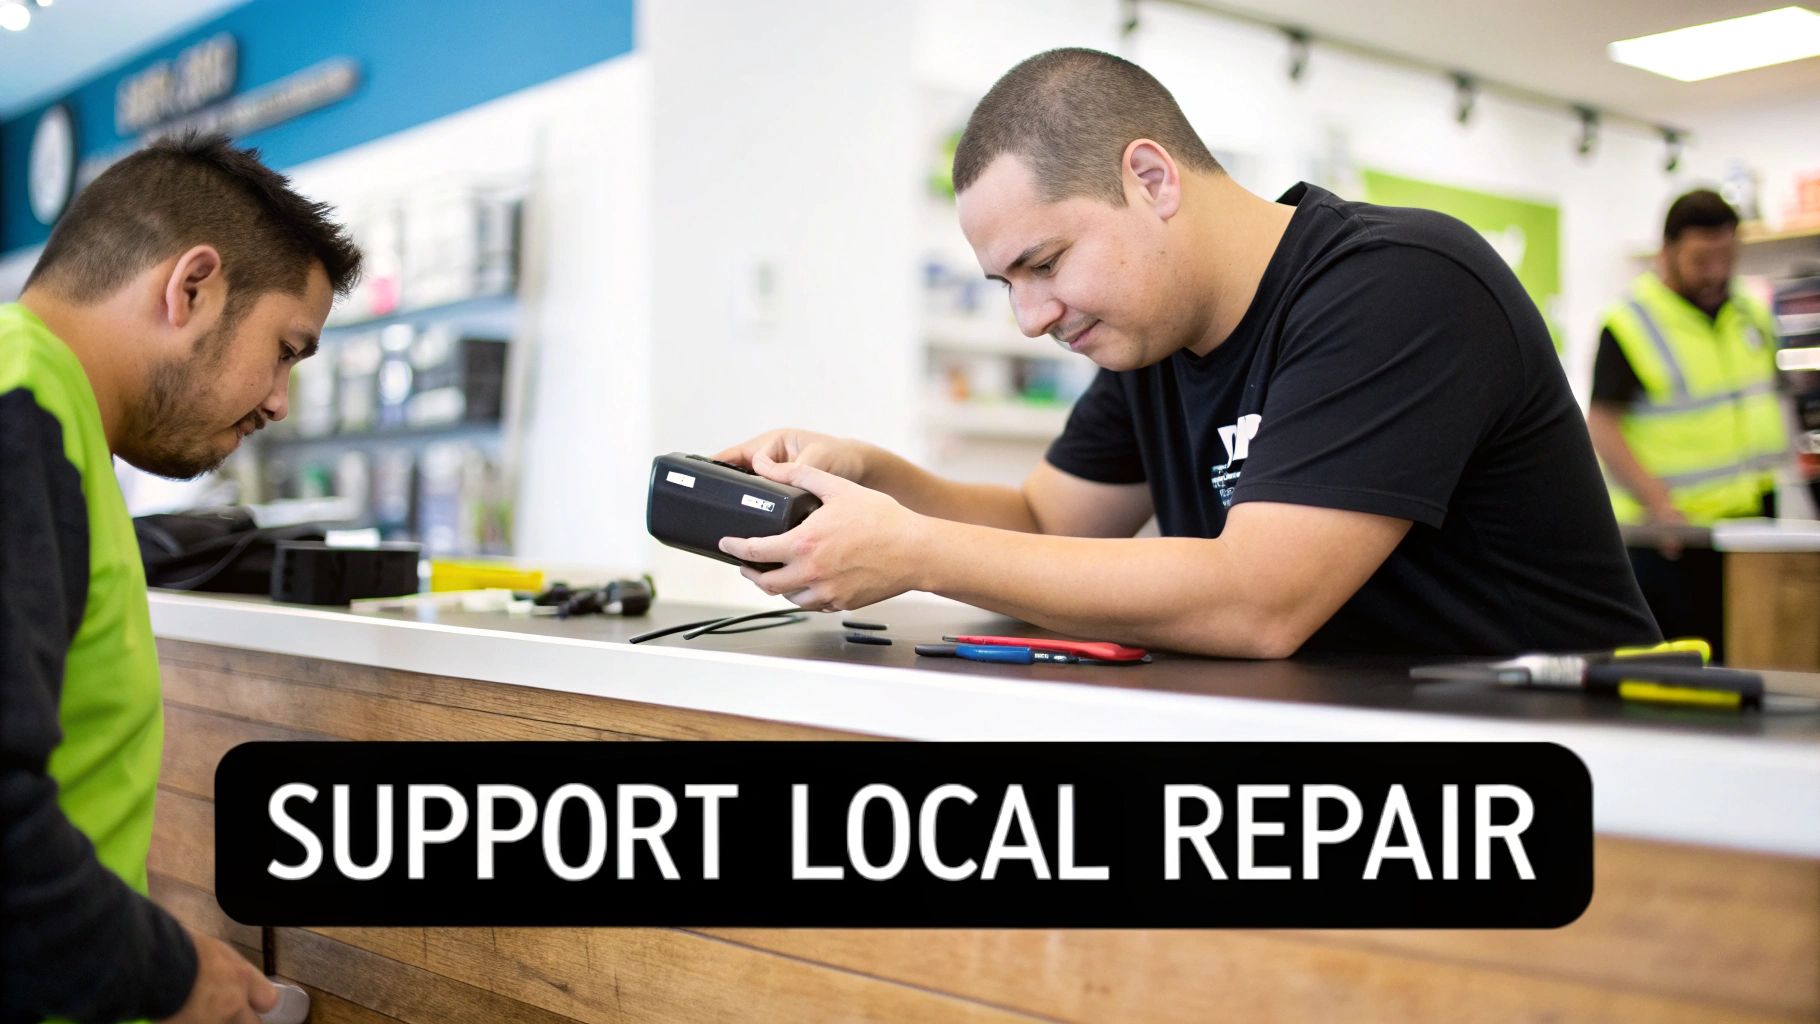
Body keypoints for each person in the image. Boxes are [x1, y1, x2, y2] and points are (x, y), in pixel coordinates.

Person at [714, 47, 1658, 658]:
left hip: (1580, 781)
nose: (1032, 318)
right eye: (1008, 284)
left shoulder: (1401, 285)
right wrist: (873, 480)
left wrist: (914, 551)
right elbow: (1047, 524)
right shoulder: (1148, 337)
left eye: (1044, 263)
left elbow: (1256, 603)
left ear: (1152, 178)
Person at [0, 134, 361, 1023]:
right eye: (285, 348)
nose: (280, 401)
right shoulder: (19, 416)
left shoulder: (51, 417)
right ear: (191, 285)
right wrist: (165, 973)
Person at [1586, 189, 1789, 656]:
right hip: (1674, 541)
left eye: (1727, 256)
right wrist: (1660, 505)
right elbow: (1602, 425)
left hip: (1751, 529)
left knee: (1753, 665)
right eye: (1702, 259)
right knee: (1683, 677)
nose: (1716, 272)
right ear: (1667, 251)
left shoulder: (1751, 314)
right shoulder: (1630, 322)